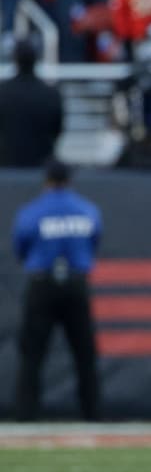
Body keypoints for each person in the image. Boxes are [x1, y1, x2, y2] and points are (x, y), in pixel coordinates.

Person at [11, 160, 102, 421]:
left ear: (47, 181)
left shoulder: (33, 211)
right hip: (76, 283)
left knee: (32, 354)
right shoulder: (86, 210)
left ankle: (26, 415)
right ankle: (92, 414)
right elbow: (94, 240)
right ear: (69, 180)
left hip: (42, 283)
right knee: (84, 353)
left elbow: (21, 246)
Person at [0, 36, 61, 168]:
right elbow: (57, 130)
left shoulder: (3, 92)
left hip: (7, 168)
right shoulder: (51, 94)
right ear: (36, 59)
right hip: (41, 167)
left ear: (15, 59)